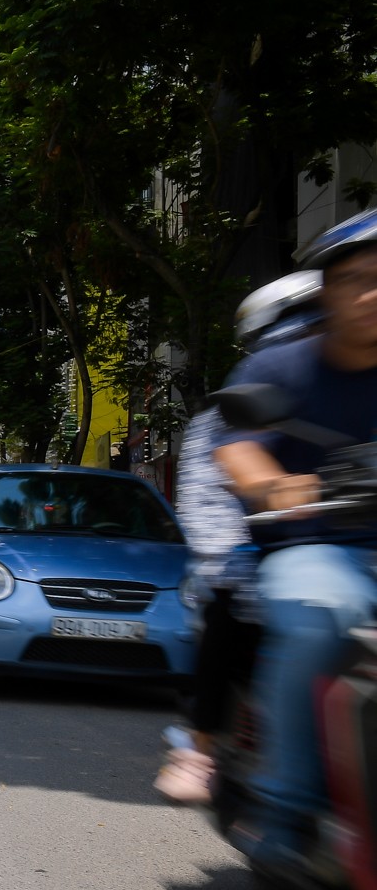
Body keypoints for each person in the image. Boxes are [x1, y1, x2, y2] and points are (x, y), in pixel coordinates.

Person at [213, 211, 377, 873]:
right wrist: (277, 486)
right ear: (326, 291)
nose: (371, 295)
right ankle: (284, 811)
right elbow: (239, 450)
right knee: (320, 620)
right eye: (358, 280)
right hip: (319, 548)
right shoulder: (282, 363)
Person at [154, 271, 321, 803]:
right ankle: (201, 745)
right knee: (227, 613)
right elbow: (205, 501)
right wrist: (235, 561)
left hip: (351, 554)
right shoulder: (235, 407)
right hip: (261, 564)